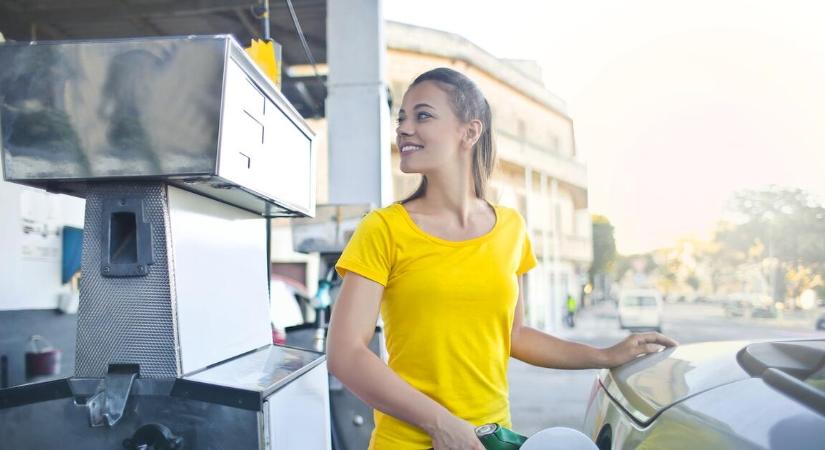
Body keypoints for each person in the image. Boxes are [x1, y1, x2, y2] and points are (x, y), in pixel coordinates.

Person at [326, 67, 678, 450]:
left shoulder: (511, 228)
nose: (404, 128)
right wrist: (441, 423)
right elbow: (345, 353)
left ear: (470, 131)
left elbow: (516, 336)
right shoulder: (383, 229)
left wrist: (604, 355)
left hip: (491, 441)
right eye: (402, 118)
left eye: (422, 115)